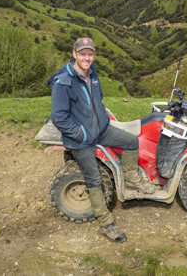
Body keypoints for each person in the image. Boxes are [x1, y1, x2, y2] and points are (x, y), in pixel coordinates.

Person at [48, 38, 155, 243]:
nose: (86, 58)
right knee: (94, 180)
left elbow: (98, 99)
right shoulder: (63, 81)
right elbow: (59, 117)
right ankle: (107, 224)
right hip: (81, 140)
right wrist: (81, 134)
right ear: (74, 54)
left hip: (101, 130)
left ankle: (132, 180)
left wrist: (103, 119)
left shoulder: (93, 74)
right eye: (82, 54)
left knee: (132, 141)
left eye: (90, 54)